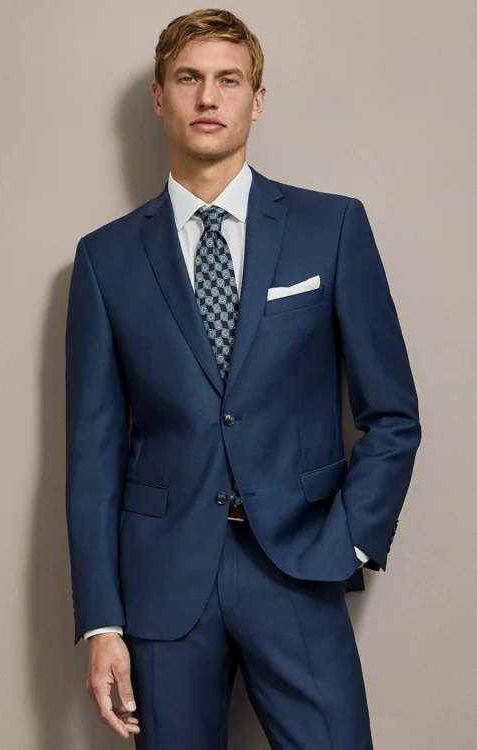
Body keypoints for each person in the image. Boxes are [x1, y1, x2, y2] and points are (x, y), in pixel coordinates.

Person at [64, 8, 421, 749]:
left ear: (257, 100)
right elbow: (92, 455)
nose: (208, 97)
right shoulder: (105, 259)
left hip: (298, 566)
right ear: (159, 97)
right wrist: (101, 620)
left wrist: (351, 542)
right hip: (162, 585)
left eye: (229, 80)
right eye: (188, 78)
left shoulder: (332, 228)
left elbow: (392, 414)